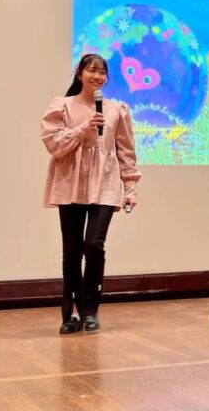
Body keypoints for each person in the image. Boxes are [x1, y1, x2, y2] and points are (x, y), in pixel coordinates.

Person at [41, 54, 141, 334]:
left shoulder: (116, 109)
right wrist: (84, 128)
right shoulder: (62, 105)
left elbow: (126, 151)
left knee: (94, 245)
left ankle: (90, 310)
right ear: (80, 73)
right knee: (72, 251)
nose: (97, 76)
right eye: (91, 70)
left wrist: (130, 188)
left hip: (105, 182)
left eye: (102, 72)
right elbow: (54, 145)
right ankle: (71, 314)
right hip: (71, 181)